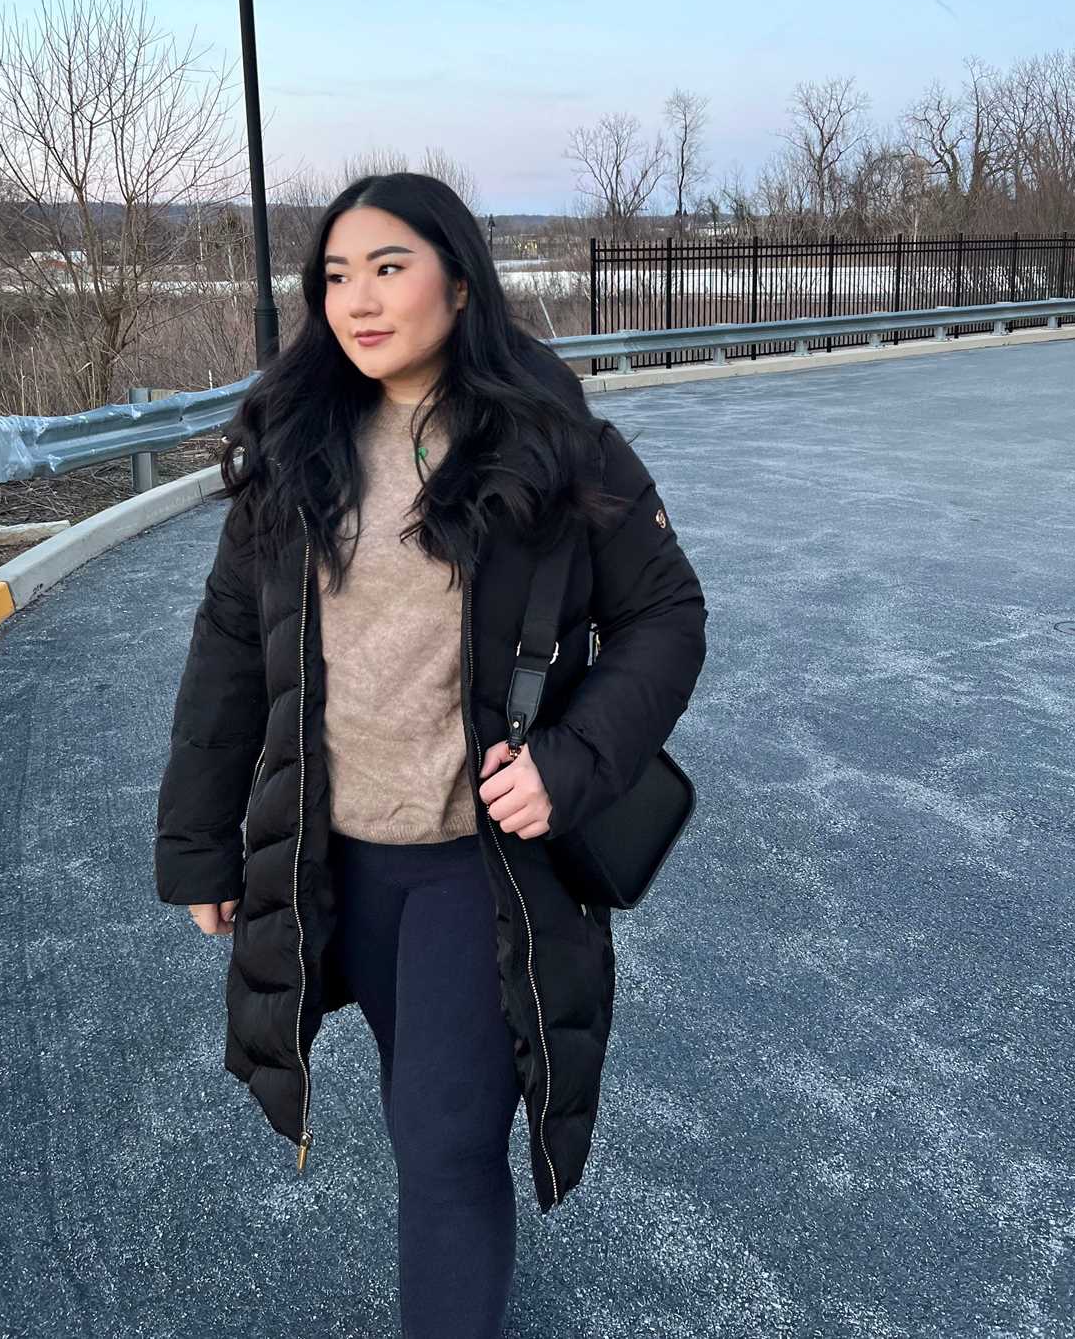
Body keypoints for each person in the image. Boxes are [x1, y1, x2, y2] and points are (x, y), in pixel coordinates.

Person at [155, 171, 708, 1339]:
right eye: (335, 276)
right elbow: (230, 650)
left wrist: (571, 758)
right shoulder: (293, 445)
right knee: (423, 1108)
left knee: (448, 1145)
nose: (357, 298)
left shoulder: (555, 445)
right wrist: (199, 843)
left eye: (388, 267)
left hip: (476, 863)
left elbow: (667, 616)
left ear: (459, 284)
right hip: (332, 850)